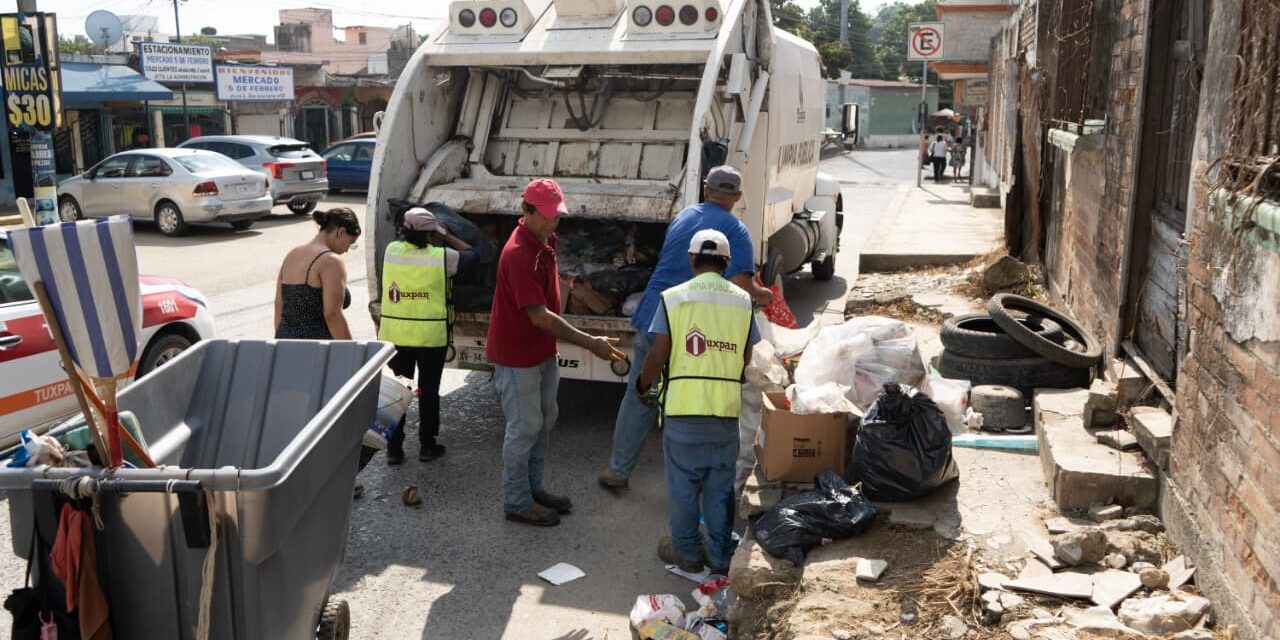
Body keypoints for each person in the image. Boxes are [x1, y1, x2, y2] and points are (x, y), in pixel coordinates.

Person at [598, 165, 773, 491]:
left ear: (706, 190)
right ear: (736, 196)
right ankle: (693, 482)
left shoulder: (684, 216)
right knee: (696, 401)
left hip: (653, 313)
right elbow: (740, 283)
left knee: (640, 392)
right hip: (692, 326)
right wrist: (767, 294)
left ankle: (617, 470)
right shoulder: (734, 231)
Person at [487, 178, 627, 527]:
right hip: (517, 354)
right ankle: (517, 501)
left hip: (541, 351)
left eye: (556, 216)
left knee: (545, 421)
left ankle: (533, 489)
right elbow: (539, 316)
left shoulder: (544, 240)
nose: (552, 222)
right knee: (524, 428)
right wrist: (591, 342)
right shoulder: (518, 253)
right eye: (546, 216)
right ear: (525, 211)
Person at [635, 229, 760, 574]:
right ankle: (720, 554)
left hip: (682, 414)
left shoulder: (673, 298)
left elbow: (659, 352)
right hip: (724, 413)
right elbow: (747, 356)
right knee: (720, 489)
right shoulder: (742, 301)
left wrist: (643, 384)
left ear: (691, 259)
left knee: (683, 489)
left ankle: (688, 554)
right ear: (727, 262)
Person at [379, 208, 480, 465]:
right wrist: (447, 235)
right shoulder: (442, 257)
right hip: (430, 339)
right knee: (428, 392)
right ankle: (427, 446)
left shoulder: (392, 251)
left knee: (400, 390)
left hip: (396, 337)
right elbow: (474, 255)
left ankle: (393, 448)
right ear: (431, 235)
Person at [275, 207, 360, 340]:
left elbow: (279, 305)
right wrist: (350, 350)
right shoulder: (331, 261)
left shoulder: (292, 255)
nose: (347, 250)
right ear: (341, 232)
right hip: (317, 347)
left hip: (285, 340)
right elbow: (332, 314)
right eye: (350, 243)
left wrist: (281, 342)